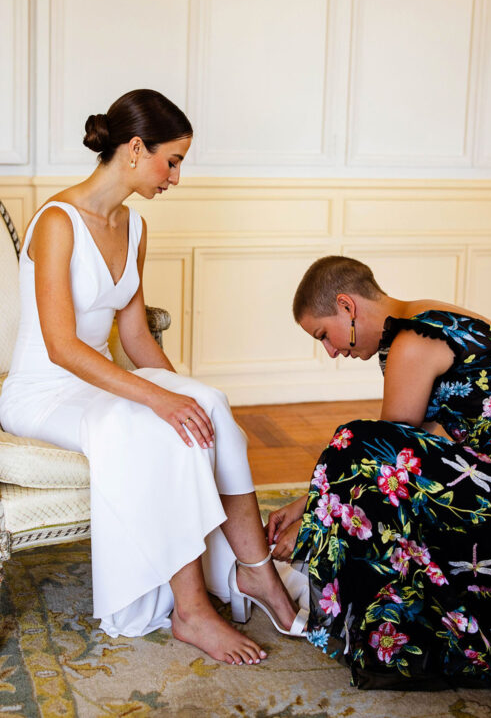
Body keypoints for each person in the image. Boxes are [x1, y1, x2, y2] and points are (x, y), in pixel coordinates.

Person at [0, 90, 304, 665]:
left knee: (210, 402)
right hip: (41, 390)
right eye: (173, 160)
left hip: (94, 381)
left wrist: (184, 396)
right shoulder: (57, 223)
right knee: (157, 424)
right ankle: (190, 610)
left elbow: (136, 339)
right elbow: (62, 347)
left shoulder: (134, 229)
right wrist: (160, 403)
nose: (177, 177)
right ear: (136, 149)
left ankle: (256, 572)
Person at [264, 256, 491, 689]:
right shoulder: (427, 316)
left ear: (347, 306)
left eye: (324, 334)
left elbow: (382, 460)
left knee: (356, 440)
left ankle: (381, 628)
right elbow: (413, 440)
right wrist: (309, 501)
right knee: (357, 450)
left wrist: (311, 517)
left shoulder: (412, 340)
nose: (332, 351)